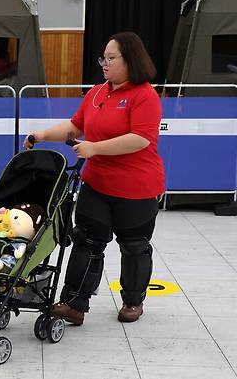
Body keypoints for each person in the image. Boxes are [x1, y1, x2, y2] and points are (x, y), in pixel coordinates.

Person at [23, 31, 165, 324]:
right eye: (104, 57)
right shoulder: (97, 93)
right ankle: (74, 304)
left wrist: (95, 148)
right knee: (86, 241)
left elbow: (140, 139)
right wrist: (42, 135)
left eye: (112, 58)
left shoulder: (145, 95)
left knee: (134, 245)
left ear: (130, 61)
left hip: (137, 186)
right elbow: (75, 127)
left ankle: (133, 302)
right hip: (97, 183)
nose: (105, 63)